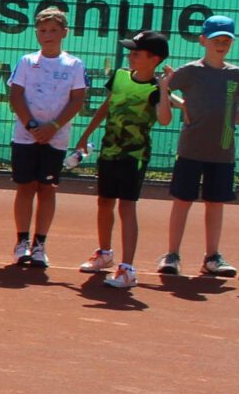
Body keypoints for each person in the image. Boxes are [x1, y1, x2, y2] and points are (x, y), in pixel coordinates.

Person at [70, 30, 170, 290]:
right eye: (130, 51)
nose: (130, 55)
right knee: (104, 202)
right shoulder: (120, 76)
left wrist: (165, 88)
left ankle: (127, 269)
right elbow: (107, 106)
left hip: (134, 156)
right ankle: (104, 254)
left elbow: (165, 119)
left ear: (154, 59)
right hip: (109, 151)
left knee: (126, 208)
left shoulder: (156, 89)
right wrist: (86, 134)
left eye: (136, 52)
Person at [160, 15, 239, 279]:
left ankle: (212, 257)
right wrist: (182, 105)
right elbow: (165, 88)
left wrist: (236, 119)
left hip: (223, 151)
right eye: (216, 40)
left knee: (215, 203)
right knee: (183, 201)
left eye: (226, 40)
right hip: (191, 148)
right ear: (203, 40)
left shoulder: (235, 74)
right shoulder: (191, 71)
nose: (221, 44)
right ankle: (172, 255)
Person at [6, 2, 88, 270]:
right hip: (25, 137)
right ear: (36, 33)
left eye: (53, 30)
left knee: (47, 189)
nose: (47, 35)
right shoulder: (27, 62)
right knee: (26, 187)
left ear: (65, 32)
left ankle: (39, 245)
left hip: (56, 139)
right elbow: (15, 96)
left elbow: (77, 100)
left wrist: (52, 126)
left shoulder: (74, 65)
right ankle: (21, 243)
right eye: (42, 30)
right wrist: (32, 126)